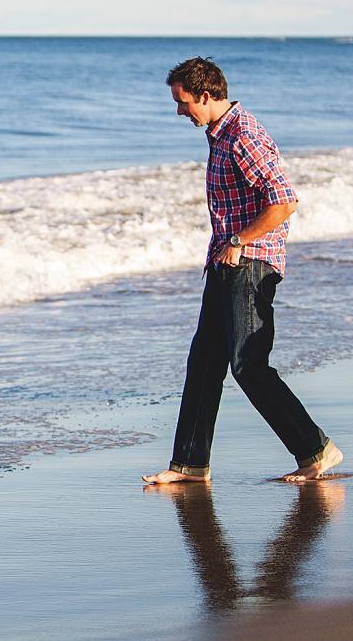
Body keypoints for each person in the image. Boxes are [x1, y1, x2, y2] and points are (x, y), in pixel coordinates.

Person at [143, 57, 342, 485]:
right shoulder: (220, 133)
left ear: (206, 95)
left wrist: (239, 241)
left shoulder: (242, 134)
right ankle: (190, 465)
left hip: (250, 263)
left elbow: (284, 200)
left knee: (248, 364)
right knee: (204, 363)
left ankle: (315, 450)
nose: (179, 111)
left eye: (183, 103)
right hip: (225, 261)